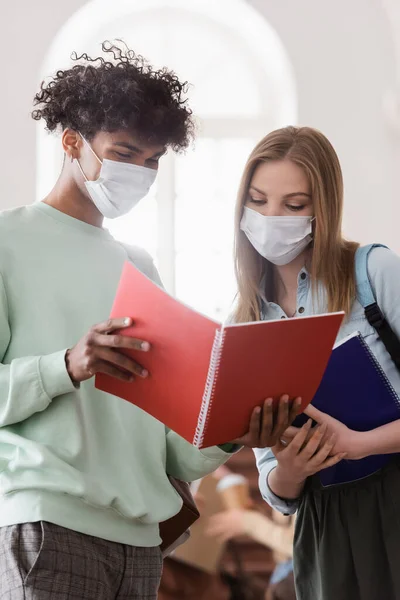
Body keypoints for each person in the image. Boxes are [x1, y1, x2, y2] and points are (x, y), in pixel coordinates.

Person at [0, 43, 299, 600]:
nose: (139, 173)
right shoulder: (7, 242)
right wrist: (66, 364)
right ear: (71, 142)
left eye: (153, 161)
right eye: (124, 153)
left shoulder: (140, 267)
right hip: (48, 526)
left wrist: (234, 429)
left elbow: (172, 451)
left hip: (141, 546)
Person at [232, 125, 400, 600]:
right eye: (258, 200)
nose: (270, 217)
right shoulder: (242, 324)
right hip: (324, 528)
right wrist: (290, 470)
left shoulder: (372, 272)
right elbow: (274, 485)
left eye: (294, 205)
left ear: (322, 208)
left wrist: (362, 443)